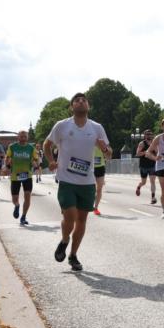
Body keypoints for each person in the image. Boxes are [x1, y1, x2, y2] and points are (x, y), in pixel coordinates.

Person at [43, 93, 110, 272]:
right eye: (77, 100)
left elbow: (109, 153)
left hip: (87, 181)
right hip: (66, 179)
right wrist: (50, 160)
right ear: (72, 107)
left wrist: (105, 149)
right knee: (70, 217)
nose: (81, 102)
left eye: (84, 100)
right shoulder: (62, 126)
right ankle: (65, 240)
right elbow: (46, 145)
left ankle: (73, 255)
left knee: (82, 220)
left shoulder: (97, 127)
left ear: (88, 106)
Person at [6, 130, 37, 226]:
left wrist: (35, 163)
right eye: (21, 136)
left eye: (25, 136)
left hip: (27, 176)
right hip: (15, 176)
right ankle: (17, 205)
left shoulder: (31, 148)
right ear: (18, 137)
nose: (23, 138)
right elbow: (7, 158)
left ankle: (23, 216)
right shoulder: (12, 147)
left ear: (27, 138)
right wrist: (7, 166)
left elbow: (35, 159)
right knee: (14, 198)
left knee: (27, 196)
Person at [135, 130, 158, 203]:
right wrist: (146, 152)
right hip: (143, 166)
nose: (149, 136)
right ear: (145, 135)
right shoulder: (142, 143)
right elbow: (137, 154)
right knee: (143, 182)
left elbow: (158, 153)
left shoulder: (154, 144)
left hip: (152, 165)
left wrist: (156, 152)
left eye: (150, 134)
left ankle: (153, 197)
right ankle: (139, 187)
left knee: (153, 181)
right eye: (147, 134)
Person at [92, 143, 112, 216]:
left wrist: (105, 149)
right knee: (91, 188)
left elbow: (109, 154)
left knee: (99, 189)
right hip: (89, 167)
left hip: (100, 167)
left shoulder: (103, 141)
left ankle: (96, 208)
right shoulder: (88, 139)